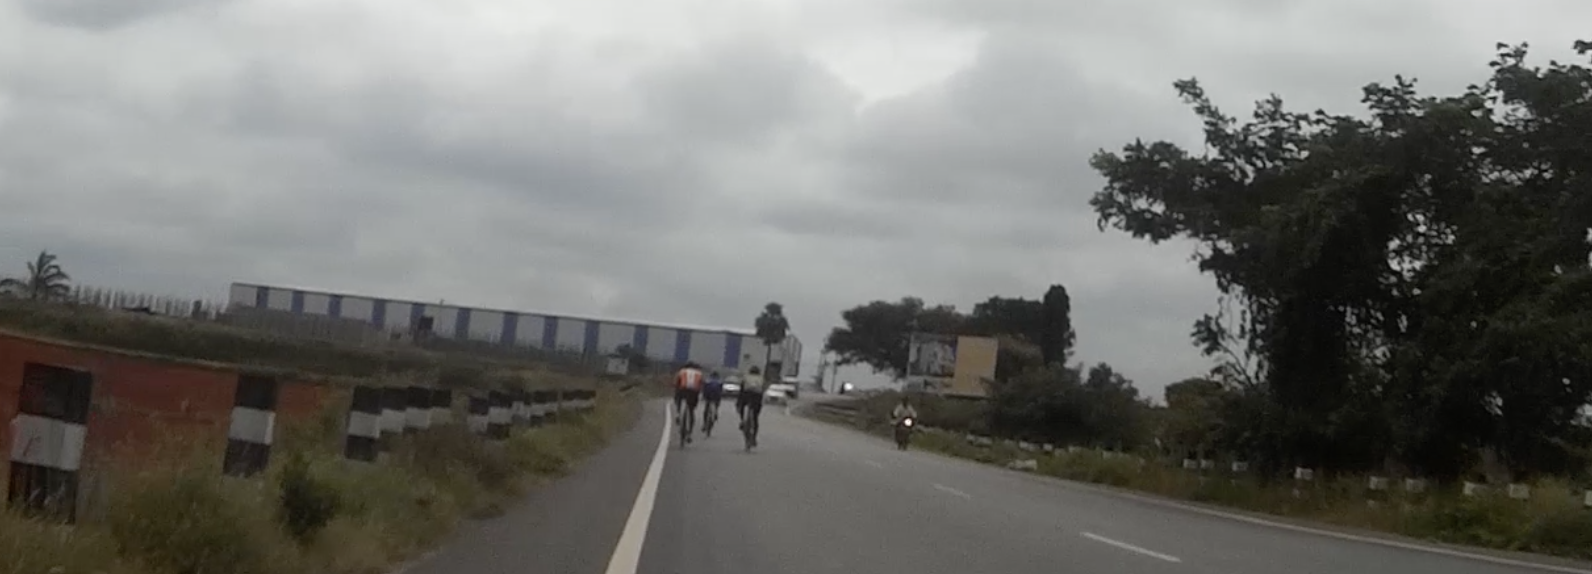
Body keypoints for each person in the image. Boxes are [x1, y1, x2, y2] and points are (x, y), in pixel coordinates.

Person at [673, 362, 705, 443]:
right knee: (691, 411)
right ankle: (689, 433)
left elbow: (677, 383)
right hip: (693, 393)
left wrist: (676, 393)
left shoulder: (682, 371)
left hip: (682, 390)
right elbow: (702, 385)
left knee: (678, 399)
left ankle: (678, 414)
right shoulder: (699, 373)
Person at [737, 365, 767, 441]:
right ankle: (754, 437)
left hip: (747, 395)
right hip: (757, 396)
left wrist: (738, 402)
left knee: (741, 407)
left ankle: (742, 421)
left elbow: (741, 389)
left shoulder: (746, 377)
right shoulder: (761, 378)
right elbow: (763, 390)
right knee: (755, 417)